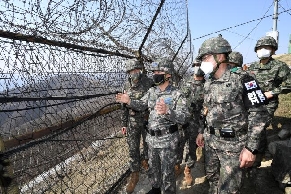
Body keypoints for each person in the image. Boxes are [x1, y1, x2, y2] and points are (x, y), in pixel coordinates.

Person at [195, 34, 269, 193]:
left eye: (206, 57)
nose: (203, 62)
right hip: (211, 142)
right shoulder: (209, 82)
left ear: (220, 56)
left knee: (228, 189)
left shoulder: (244, 79)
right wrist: (201, 132)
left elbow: (260, 113)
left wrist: (250, 148)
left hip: (233, 146)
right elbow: (206, 110)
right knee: (212, 179)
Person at [116, 58, 190, 194]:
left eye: (159, 71)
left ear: (168, 74)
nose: (155, 74)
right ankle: (156, 189)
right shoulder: (152, 92)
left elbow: (185, 117)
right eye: (154, 71)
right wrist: (129, 101)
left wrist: (168, 111)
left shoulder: (177, 94)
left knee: (167, 173)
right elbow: (141, 105)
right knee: (153, 170)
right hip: (151, 140)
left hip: (168, 141)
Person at [246, 36, 291, 167]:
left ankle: (258, 156)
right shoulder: (253, 66)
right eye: (260, 48)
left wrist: (272, 93)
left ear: (272, 50)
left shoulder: (279, 66)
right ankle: (256, 152)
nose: (262, 50)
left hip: (268, 104)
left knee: (258, 126)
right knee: (254, 127)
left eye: (266, 47)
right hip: (253, 102)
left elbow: (289, 83)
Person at [121, 58, 154, 194]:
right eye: (131, 71)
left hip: (147, 120)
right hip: (133, 121)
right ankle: (135, 174)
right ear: (128, 72)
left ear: (140, 70)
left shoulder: (148, 82)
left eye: (136, 70)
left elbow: (151, 102)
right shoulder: (126, 86)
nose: (134, 73)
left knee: (148, 144)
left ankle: (146, 162)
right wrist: (124, 124)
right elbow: (123, 106)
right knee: (133, 149)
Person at [176, 59, 205, 186]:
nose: (197, 68)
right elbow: (177, 99)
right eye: (195, 65)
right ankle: (177, 166)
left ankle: (188, 170)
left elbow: (207, 109)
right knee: (178, 145)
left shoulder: (207, 85)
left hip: (196, 122)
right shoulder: (185, 82)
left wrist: (202, 128)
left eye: (200, 65)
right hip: (182, 121)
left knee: (192, 148)